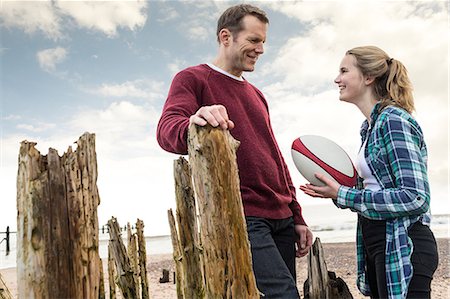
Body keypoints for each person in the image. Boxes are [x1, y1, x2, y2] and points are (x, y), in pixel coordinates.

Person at [157, 4, 313, 298]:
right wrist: (194, 122)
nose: (261, 49)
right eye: (254, 40)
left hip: (282, 216)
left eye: (264, 41)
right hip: (245, 215)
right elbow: (166, 131)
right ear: (226, 37)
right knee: (285, 295)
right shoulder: (193, 78)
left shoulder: (257, 95)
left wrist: (298, 216)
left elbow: (275, 157)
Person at [300, 46, 438, 299]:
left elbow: (415, 197)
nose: (336, 79)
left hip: (403, 242)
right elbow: (376, 192)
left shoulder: (393, 120)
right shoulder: (368, 128)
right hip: (377, 240)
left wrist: (345, 194)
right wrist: (335, 192)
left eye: (344, 71)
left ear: (368, 77)